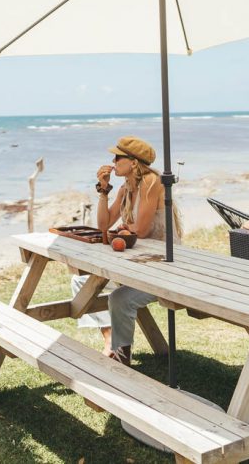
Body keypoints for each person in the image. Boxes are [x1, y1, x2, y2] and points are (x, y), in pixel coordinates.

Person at [80, 136, 181, 365]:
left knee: (120, 299)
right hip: (140, 262)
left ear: (134, 162)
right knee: (82, 284)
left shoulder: (151, 182)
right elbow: (104, 227)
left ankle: (121, 359)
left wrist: (123, 231)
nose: (113, 161)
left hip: (165, 265)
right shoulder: (126, 188)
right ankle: (112, 343)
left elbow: (142, 231)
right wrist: (104, 190)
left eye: (118, 157)